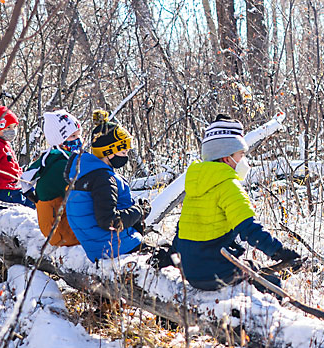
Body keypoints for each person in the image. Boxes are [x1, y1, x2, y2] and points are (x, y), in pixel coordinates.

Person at [174, 115, 303, 291]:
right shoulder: (228, 185)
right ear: (227, 158)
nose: (244, 160)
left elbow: (181, 230)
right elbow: (249, 228)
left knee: (253, 267)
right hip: (217, 273)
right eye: (241, 155)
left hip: (191, 272)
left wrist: (169, 256)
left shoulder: (195, 184)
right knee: (274, 285)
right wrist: (279, 252)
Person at [64, 110, 146, 262]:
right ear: (109, 151)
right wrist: (139, 212)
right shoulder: (103, 178)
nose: (126, 156)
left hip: (99, 246)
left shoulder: (84, 172)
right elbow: (109, 221)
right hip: (117, 248)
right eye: (123, 151)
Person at [26, 110, 83, 247]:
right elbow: (80, 198)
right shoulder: (61, 165)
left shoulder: (54, 158)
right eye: (73, 136)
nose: (79, 140)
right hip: (61, 233)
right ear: (59, 140)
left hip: (57, 228)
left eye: (79, 135)